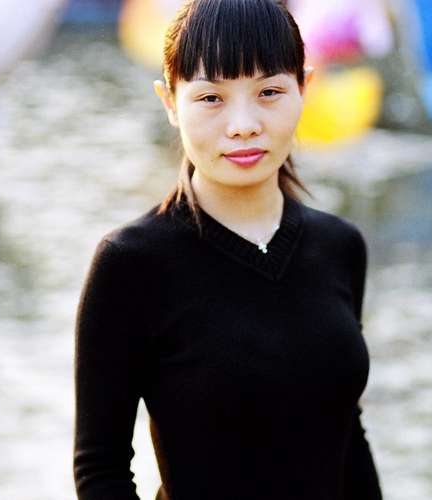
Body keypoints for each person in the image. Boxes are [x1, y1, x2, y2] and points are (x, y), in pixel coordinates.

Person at [72, 0, 384, 499]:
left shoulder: (340, 246)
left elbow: (347, 431)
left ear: (305, 88)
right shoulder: (131, 263)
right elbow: (101, 469)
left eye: (269, 92)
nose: (243, 124)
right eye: (211, 98)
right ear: (170, 102)